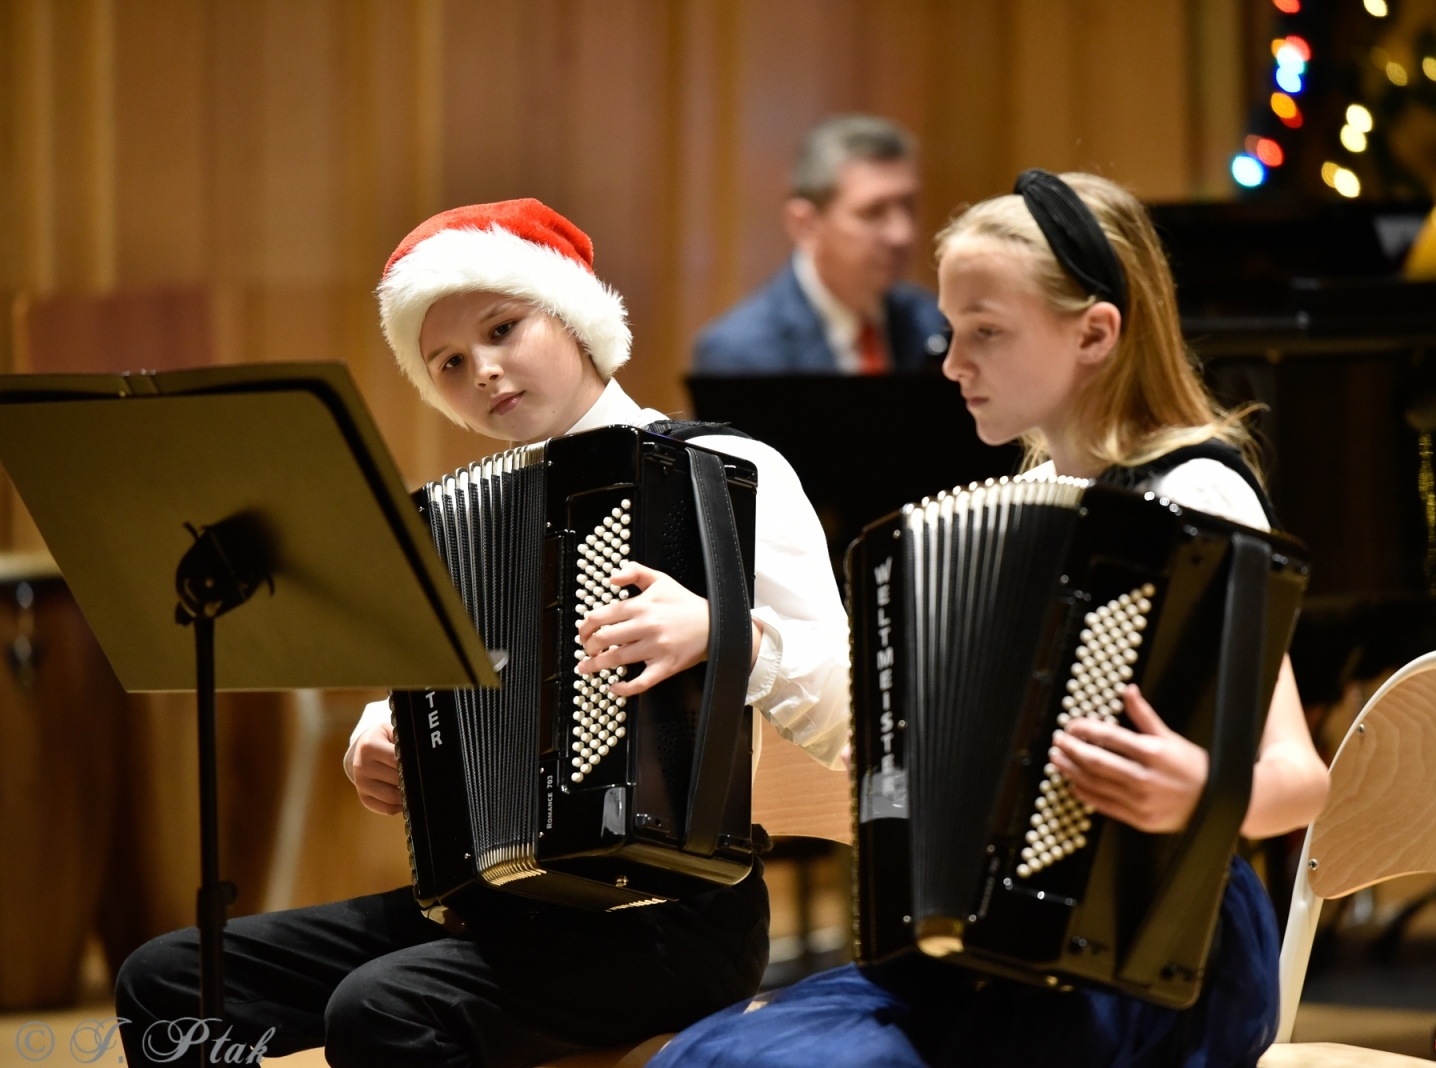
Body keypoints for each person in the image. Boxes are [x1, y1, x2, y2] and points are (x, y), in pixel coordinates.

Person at [114, 198, 851, 1068]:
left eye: (505, 329)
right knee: (168, 981)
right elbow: (446, 704)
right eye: (451, 362)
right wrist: (383, 733)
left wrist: (724, 634)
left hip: (671, 920)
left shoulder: (728, 472)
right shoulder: (459, 515)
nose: (486, 372)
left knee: (383, 1010)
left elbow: (853, 715)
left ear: (575, 318)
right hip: (496, 905)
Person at [648, 171, 1331, 1068]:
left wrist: (1197, 790)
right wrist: (902, 768)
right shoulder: (1031, 504)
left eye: (986, 333)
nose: (951, 363)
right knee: (709, 1059)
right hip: (998, 937)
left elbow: (1297, 777)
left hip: (1150, 948)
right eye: (951, 330)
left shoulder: (1195, 496)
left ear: (1095, 333)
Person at [692, 114, 947, 375]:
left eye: (908, 206)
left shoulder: (936, 323)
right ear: (805, 224)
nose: (902, 234)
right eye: (873, 212)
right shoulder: (740, 353)